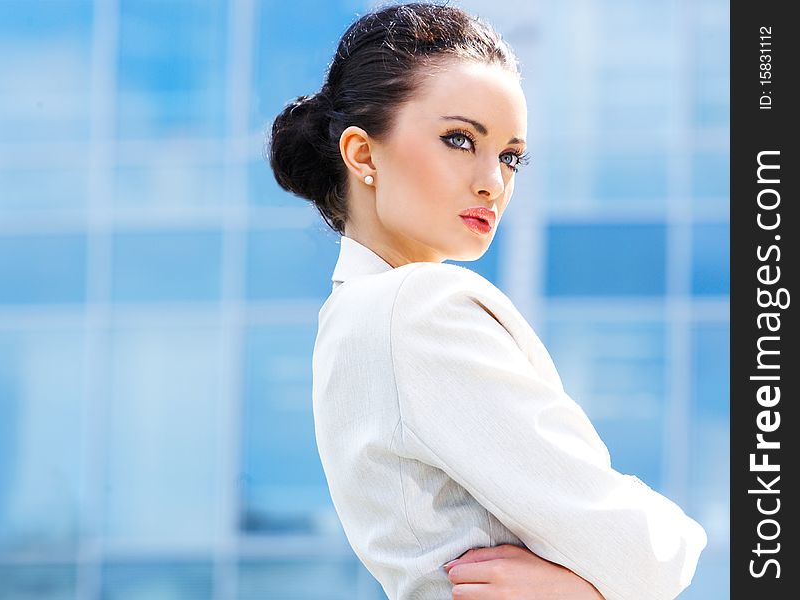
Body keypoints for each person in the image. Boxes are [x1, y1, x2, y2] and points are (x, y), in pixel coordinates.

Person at [267, 3, 707, 599]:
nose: (492, 183)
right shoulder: (419, 307)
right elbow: (644, 554)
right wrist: (670, 544)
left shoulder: (350, 319)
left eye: (510, 156)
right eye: (459, 139)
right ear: (363, 154)